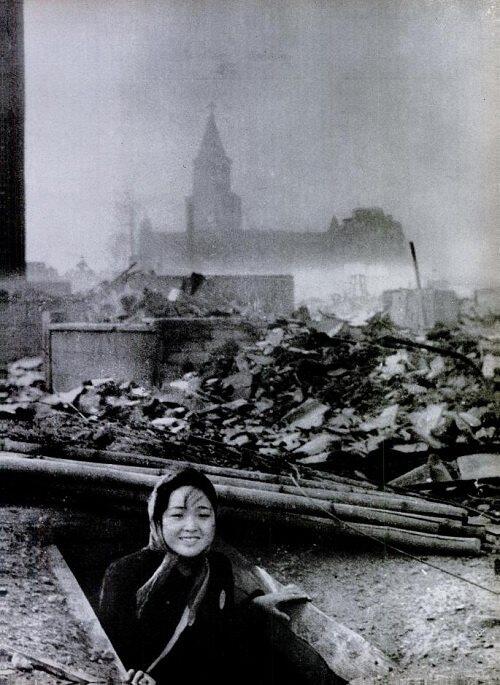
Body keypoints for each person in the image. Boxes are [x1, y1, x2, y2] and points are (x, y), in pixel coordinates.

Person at [100, 467, 309, 685]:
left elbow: (216, 634)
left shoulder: (217, 567)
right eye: (177, 515)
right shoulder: (125, 574)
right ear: (158, 521)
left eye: (203, 515)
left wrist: (255, 606)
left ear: (214, 520)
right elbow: (109, 654)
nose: (191, 527)